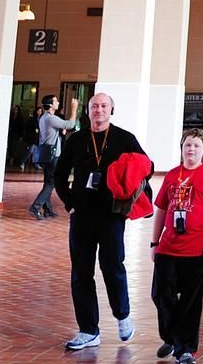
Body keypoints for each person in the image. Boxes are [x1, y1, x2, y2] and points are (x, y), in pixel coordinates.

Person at [54, 91, 149, 350]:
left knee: (112, 266)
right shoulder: (77, 140)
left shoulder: (124, 138)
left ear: (111, 110)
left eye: (104, 106)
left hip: (111, 216)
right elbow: (59, 174)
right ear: (88, 111)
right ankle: (88, 330)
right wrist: (69, 203)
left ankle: (123, 316)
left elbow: (146, 167)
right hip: (82, 216)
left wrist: (129, 187)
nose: (99, 110)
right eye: (94, 106)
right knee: (81, 272)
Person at [149, 128, 203, 364]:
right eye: (187, 145)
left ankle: (186, 349)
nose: (191, 149)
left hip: (196, 250)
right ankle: (173, 337)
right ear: (181, 148)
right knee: (160, 294)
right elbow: (161, 209)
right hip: (168, 247)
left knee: (191, 302)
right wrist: (154, 242)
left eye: (195, 145)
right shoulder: (173, 175)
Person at [31, 91, 77, 218]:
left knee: (48, 182)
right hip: (52, 155)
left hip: (46, 154)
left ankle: (48, 208)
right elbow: (70, 124)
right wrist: (74, 109)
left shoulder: (44, 118)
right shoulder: (51, 118)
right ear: (50, 105)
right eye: (56, 101)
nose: (58, 103)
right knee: (52, 182)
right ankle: (35, 207)